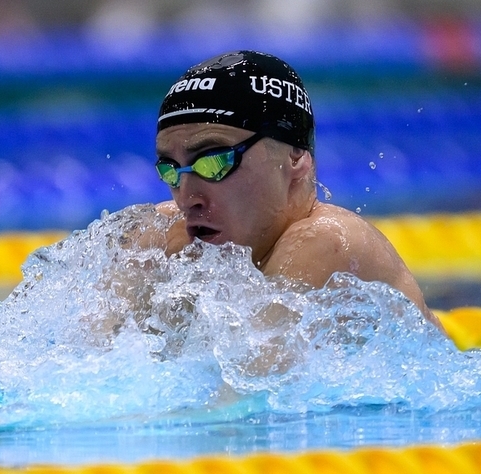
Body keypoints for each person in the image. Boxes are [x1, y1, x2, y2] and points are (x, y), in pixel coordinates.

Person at [150, 49, 443, 330]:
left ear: (295, 157)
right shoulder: (163, 237)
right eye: (171, 170)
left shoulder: (328, 242)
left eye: (213, 162)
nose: (186, 200)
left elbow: (250, 379)